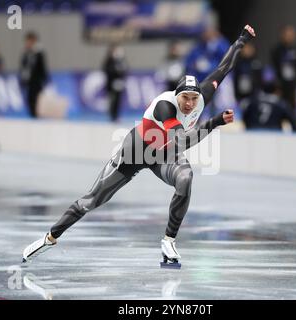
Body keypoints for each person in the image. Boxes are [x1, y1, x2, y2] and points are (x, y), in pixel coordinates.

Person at [22, 25, 256, 269]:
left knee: (185, 177)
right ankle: (49, 238)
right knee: (91, 201)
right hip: (136, 151)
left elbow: (223, 68)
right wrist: (216, 121)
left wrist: (240, 40)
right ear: (177, 96)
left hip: (163, 153)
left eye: (193, 99)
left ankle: (169, 241)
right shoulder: (165, 107)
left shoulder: (200, 98)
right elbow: (183, 141)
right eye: (184, 98)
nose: (189, 104)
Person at [184, 26, 230, 118]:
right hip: (199, 80)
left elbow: (226, 56)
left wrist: (219, 39)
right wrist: (195, 65)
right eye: (205, 33)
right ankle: (195, 121)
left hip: (212, 78)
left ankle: (212, 120)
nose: (206, 35)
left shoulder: (218, 44)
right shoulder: (198, 46)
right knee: (197, 101)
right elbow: (189, 61)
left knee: (212, 101)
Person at [271, 25, 296, 117]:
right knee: (280, 105)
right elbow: (275, 67)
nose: (289, 37)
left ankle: (293, 119)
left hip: (293, 83)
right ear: (282, 35)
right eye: (286, 34)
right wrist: (277, 84)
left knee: (293, 105)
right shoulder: (277, 51)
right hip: (281, 83)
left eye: (291, 34)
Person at [20, 31, 49, 118]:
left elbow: (42, 67)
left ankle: (37, 116)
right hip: (29, 81)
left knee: (37, 100)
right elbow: (24, 67)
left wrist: (44, 79)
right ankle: (33, 116)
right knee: (30, 100)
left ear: (33, 40)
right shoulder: (26, 53)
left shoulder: (39, 53)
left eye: (29, 40)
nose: (27, 43)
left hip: (37, 81)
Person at [103, 43, 128, 123]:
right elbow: (106, 70)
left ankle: (116, 115)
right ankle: (112, 115)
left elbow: (125, 70)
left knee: (118, 100)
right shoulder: (109, 60)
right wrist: (115, 71)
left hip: (119, 84)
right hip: (111, 84)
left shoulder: (121, 61)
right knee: (112, 100)